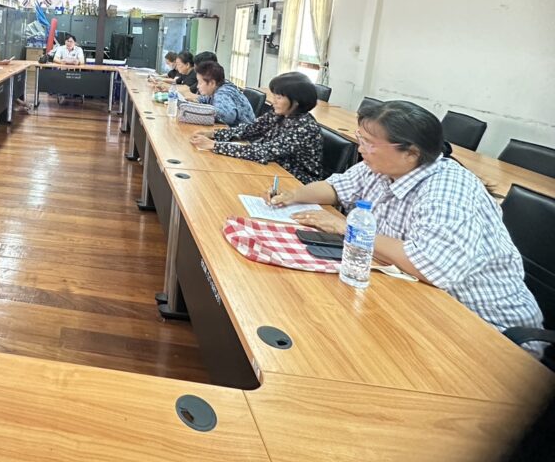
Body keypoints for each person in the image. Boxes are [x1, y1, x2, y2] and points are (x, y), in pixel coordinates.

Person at [269, 100, 545, 352]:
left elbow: (430, 266)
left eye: (368, 142)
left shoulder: (447, 191)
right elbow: (336, 188)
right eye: (360, 138)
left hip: (485, 328)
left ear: (411, 153)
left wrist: (347, 227)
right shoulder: (380, 168)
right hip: (419, 300)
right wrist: (293, 196)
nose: (360, 148)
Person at [191, 71, 323, 183]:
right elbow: (250, 129)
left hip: (295, 181)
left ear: (296, 101)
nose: (274, 101)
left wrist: (214, 145)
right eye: (274, 96)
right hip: (273, 169)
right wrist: (213, 134)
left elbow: (264, 151)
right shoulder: (280, 114)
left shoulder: (305, 128)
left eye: (278, 97)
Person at [180, 60, 255, 127]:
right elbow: (208, 99)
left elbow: (227, 117)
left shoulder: (223, 93)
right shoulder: (219, 87)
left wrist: (198, 112)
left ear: (212, 83)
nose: (197, 86)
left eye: (200, 82)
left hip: (244, 135)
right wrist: (196, 100)